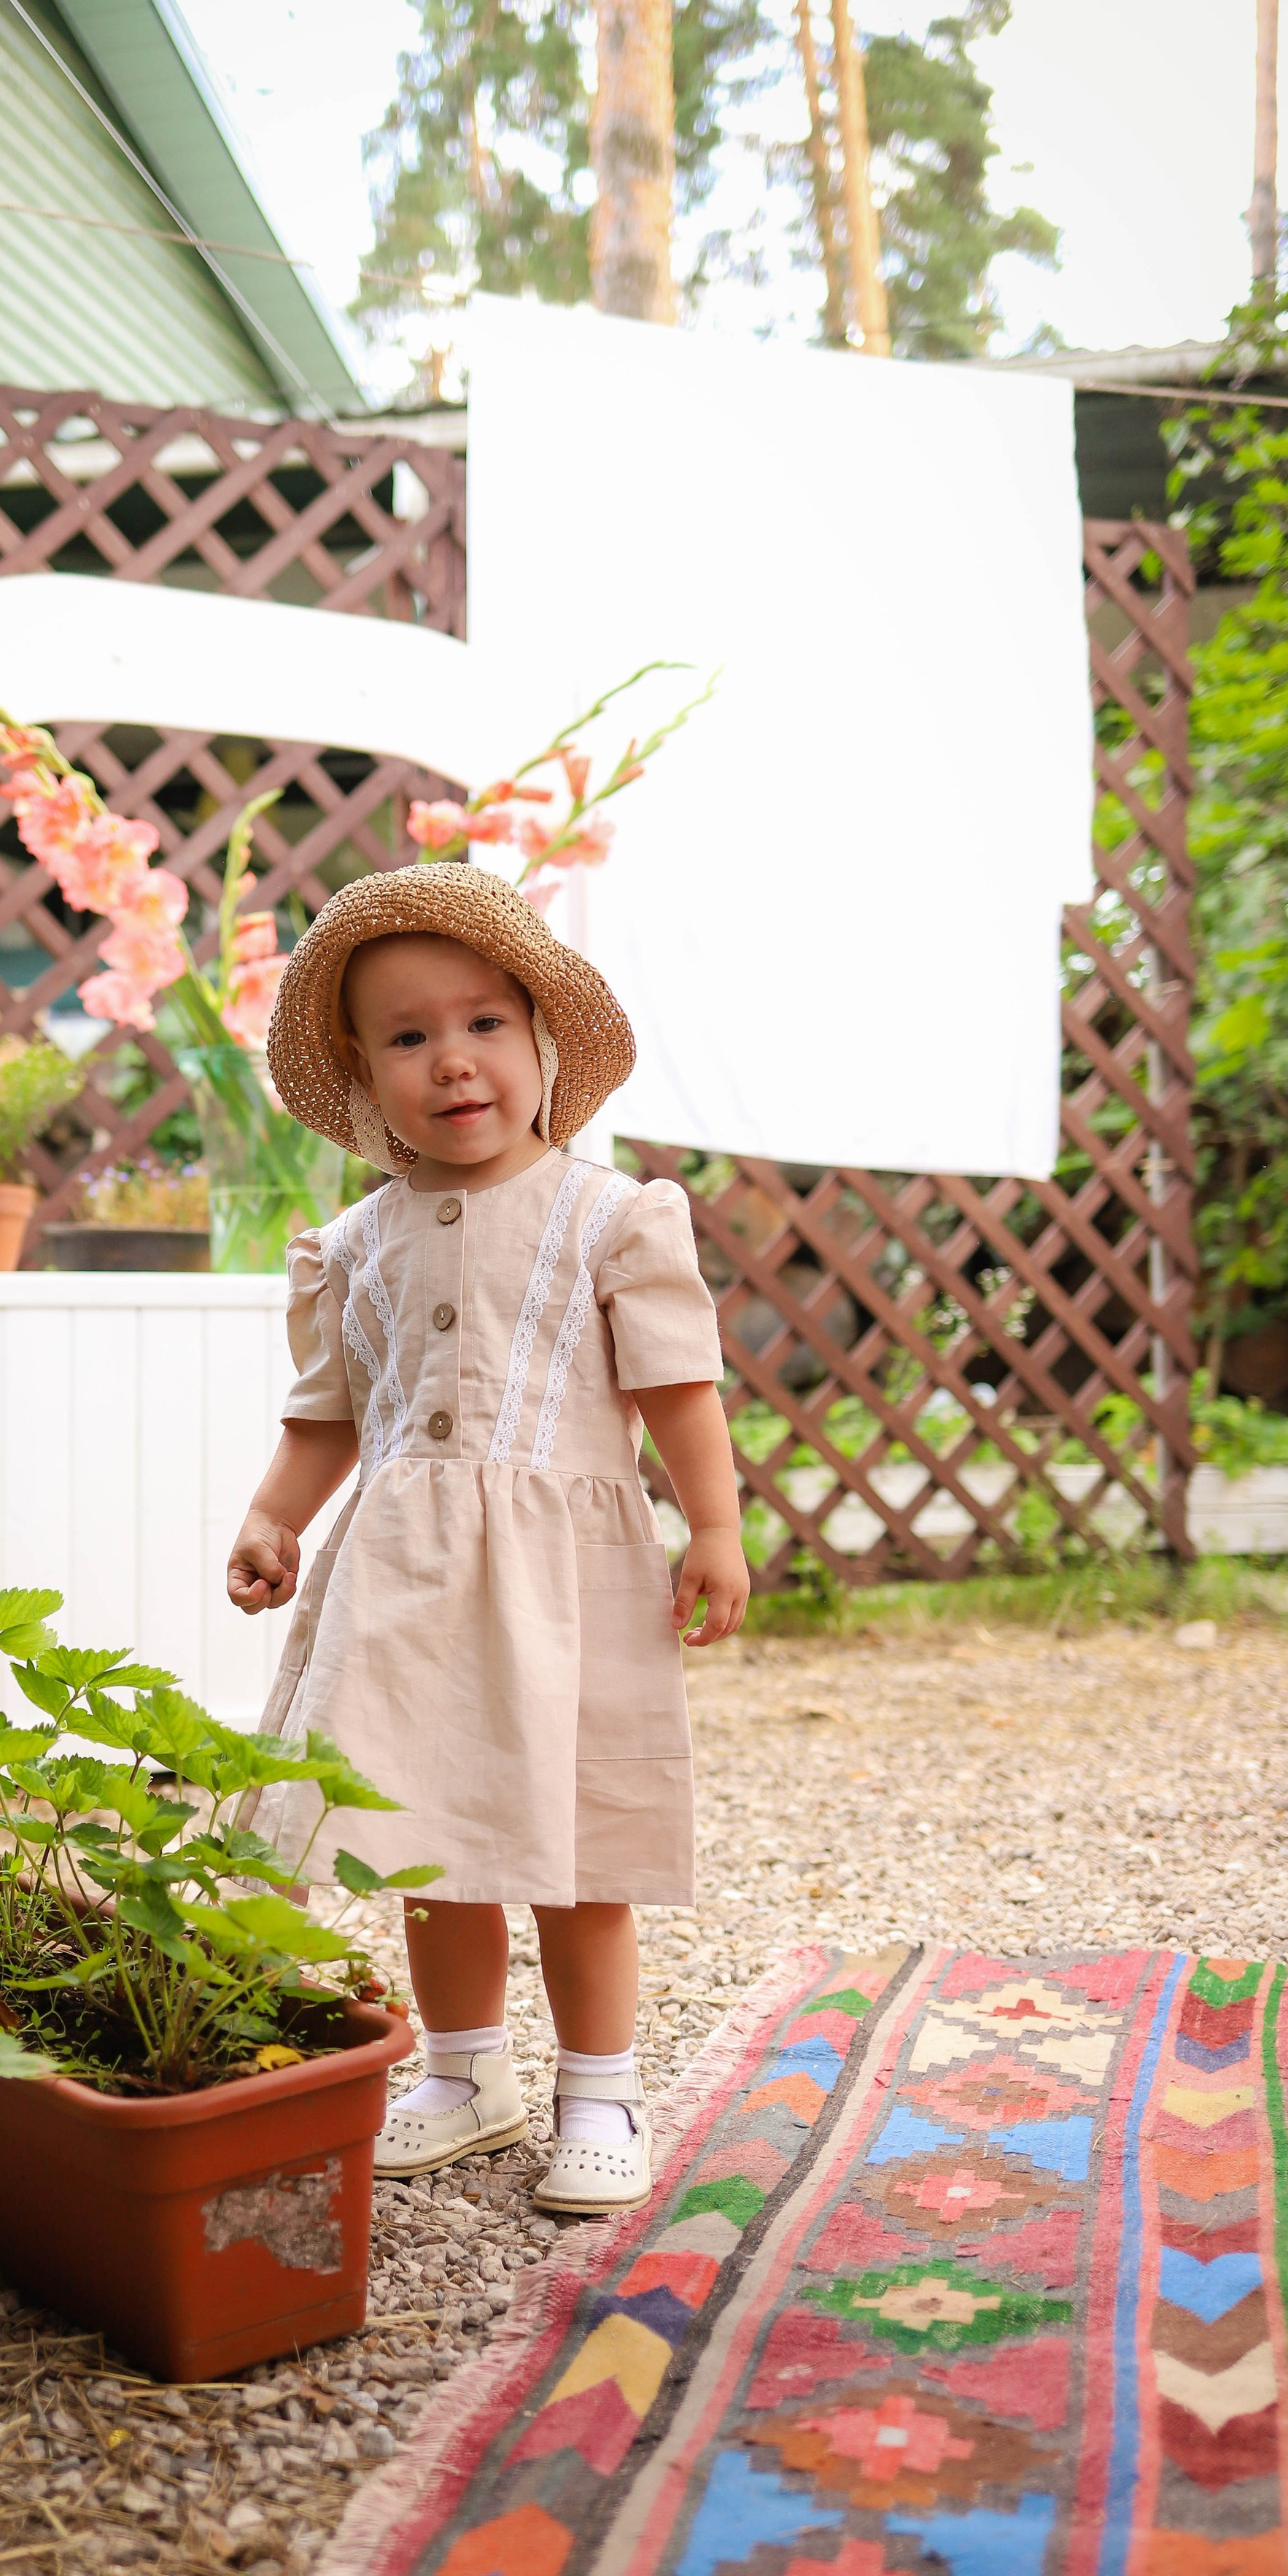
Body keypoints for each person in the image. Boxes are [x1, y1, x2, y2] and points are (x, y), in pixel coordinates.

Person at [225, 865, 749, 2211]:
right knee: (424, 1831)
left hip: (565, 1585)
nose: (450, 1063)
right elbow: (331, 1413)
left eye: (483, 1027)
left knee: (575, 1853)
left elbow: (674, 1388)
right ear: (364, 1074)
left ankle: (602, 2085)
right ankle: (464, 2072)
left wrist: (714, 1526)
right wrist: (275, 1514)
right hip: (403, 1583)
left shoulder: (611, 1216)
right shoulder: (353, 1243)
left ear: (542, 1043)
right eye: (408, 1038)